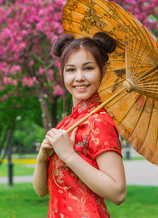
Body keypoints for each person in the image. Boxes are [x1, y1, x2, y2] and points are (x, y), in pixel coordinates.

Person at [33, 32, 126, 217]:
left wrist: (68, 155)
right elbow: (42, 191)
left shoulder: (99, 122)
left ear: (102, 72)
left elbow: (118, 193)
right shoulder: (66, 125)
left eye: (88, 68)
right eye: (71, 70)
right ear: (62, 74)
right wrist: (42, 158)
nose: (79, 77)